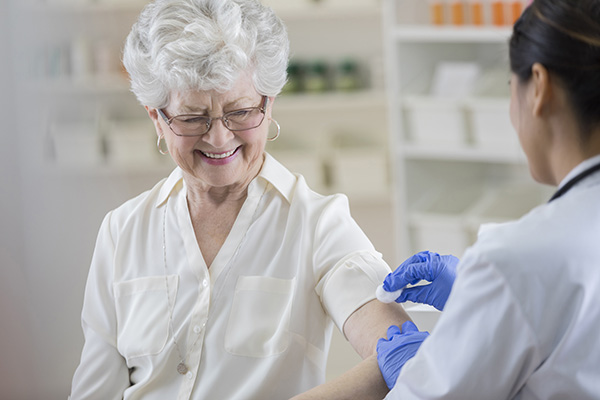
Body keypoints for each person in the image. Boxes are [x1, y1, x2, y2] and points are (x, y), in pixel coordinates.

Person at [68, 0, 410, 398]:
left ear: (268, 104)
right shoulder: (122, 230)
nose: (219, 138)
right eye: (193, 117)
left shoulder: (317, 225)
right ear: (156, 118)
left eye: (241, 111)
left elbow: (398, 356)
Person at [376, 0, 600, 398]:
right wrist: (483, 301)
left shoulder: (516, 259)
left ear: (539, 87)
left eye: (510, 90)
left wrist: (416, 374)